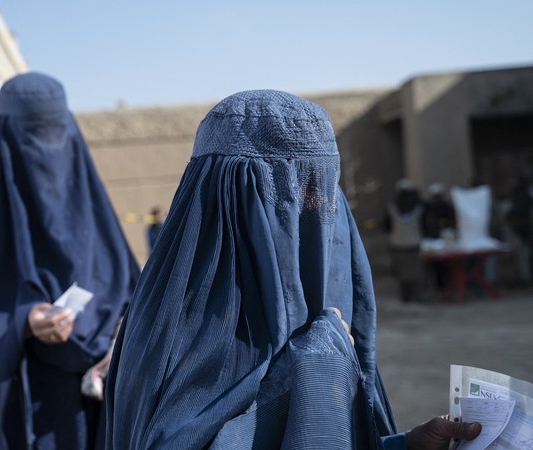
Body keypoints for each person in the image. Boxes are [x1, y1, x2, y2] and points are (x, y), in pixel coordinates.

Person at [105, 90, 481, 449]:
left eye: (325, 189)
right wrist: (320, 367)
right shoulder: (178, 327)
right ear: (232, 198)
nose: (318, 207)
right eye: (298, 191)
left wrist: (401, 446)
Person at [0, 72, 140, 450]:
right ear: (5, 139)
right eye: (33, 136)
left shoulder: (92, 210)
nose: (48, 149)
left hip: (96, 405)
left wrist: (119, 334)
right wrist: (23, 321)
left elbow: (127, 287)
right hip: (25, 403)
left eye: (55, 134)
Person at [385, 178, 425, 301]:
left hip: (397, 244)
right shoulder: (419, 207)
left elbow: (386, 226)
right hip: (414, 243)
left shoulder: (392, 206)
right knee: (416, 271)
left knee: (402, 272)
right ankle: (417, 296)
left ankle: (405, 297)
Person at [422, 183, 454, 288]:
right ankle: (440, 285)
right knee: (435, 265)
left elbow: (451, 221)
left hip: (446, 238)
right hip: (432, 240)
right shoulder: (427, 207)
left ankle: (448, 285)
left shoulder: (446, 206)